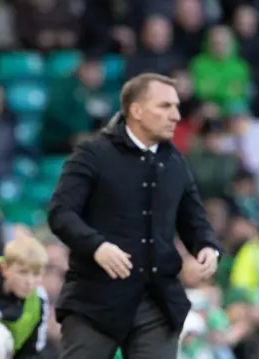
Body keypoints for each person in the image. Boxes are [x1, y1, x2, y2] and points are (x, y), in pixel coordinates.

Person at [47, 73, 221, 359]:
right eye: (164, 106)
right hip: (95, 300)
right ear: (136, 110)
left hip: (158, 302)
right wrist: (97, 246)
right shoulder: (92, 153)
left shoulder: (176, 161)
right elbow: (60, 213)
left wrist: (208, 247)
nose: (176, 116)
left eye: (176, 106)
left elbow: (195, 221)